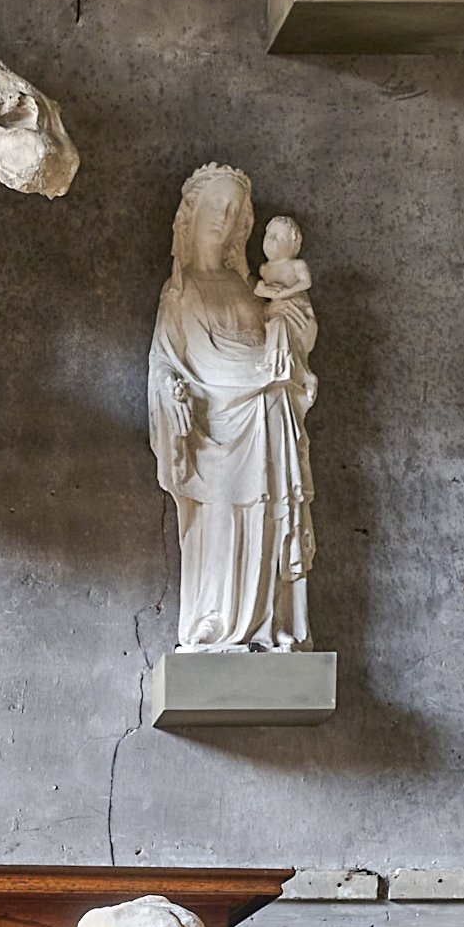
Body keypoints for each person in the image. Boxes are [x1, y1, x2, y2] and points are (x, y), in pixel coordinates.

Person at [149, 166, 318, 654]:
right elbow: (164, 361)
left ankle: (267, 624)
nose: (223, 219)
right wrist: (171, 389)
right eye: (214, 208)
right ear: (192, 217)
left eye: (233, 211)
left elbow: (287, 346)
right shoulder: (178, 294)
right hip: (212, 430)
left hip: (265, 418)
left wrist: (293, 328)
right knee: (219, 518)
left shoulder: (250, 289)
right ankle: (213, 618)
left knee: (267, 518)